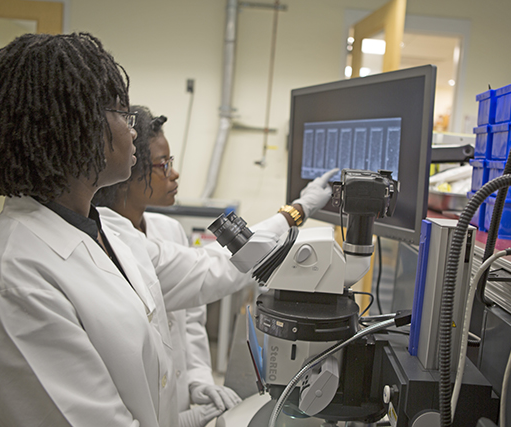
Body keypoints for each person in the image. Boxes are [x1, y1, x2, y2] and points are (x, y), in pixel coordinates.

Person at [0, 33, 181, 427]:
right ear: (74, 127)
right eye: (121, 114)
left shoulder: (98, 229)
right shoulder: (12, 280)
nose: (133, 131)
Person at [92, 106, 338, 427]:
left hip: (178, 394)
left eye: (172, 162)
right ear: (129, 173)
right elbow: (214, 270)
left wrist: (199, 381)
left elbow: (191, 319)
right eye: (163, 165)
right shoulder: (112, 241)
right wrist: (295, 211)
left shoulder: (167, 230)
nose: (173, 173)